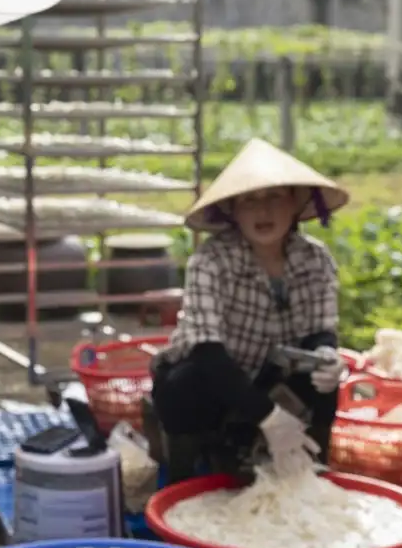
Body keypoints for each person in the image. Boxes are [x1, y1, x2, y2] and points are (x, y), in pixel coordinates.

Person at [150, 139, 350, 483]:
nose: (263, 211)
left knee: (322, 378)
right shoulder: (211, 261)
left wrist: (327, 354)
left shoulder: (314, 259)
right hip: (215, 377)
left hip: (273, 375)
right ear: (232, 210)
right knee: (184, 384)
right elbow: (207, 351)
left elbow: (319, 329)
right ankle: (186, 472)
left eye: (275, 197)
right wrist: (270, 417)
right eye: (249, 201)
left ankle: (311, 471)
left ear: (294, 203)